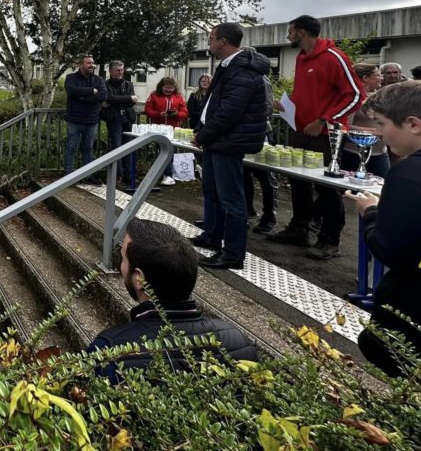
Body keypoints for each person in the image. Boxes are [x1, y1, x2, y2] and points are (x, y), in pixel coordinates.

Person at [343, 81, 421, 376]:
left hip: (417, 308)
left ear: (413, 124)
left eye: (381, 123)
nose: (377, 132)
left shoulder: (412, 171)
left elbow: (391, 248)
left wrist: (371, 212)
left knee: (389, 356)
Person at [86, 218, 257, 382]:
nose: (120, 266)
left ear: (139, 279)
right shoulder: (238, 340)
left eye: (123, 259)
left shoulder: (110, 349)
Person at [268, 15, 365, 260]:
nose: (288, 36)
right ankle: (300, 228)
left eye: (290, 31)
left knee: (327, 188)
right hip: (299, 131)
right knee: (298, 182)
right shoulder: (302, 58)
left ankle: (330, 239)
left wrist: (324, 119)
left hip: (324, 134)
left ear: (301, 32)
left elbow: (355, 95)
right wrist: (288, 105)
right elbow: (311, 94)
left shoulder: (334, 57)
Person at [189, 23, 270, 270]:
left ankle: (233, 253)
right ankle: (212, 236)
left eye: (211, 38)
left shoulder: (243, 71)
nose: (209, 43)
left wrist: (203, 136)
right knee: (212, 190)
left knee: (231, 198)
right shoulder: (228, 67)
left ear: (223, 41)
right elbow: (215, 105)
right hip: (215, 140)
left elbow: (228, 113)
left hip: (228, 141)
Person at [340, 63, 390, 179]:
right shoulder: (353, 98)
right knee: (352, 192)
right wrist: (373, 131)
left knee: (382, 189)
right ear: (365, 78)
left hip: (380, 153)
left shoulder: (382, 95)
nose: (381, 78)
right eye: (378, 75)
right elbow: (345, 126)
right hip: (354, 154)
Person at [63, 55, 108, 175]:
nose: (92, 65)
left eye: (93, 63)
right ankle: (68, 175)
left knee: (88, 149)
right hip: (74, 120)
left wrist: (83, 98)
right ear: (80, 65)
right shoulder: (71, 77)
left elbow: (103, 95)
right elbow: (72, 91)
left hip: (91, 121)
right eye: (88, 63)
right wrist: (92, 91)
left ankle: (88, 175)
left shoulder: (98, 79)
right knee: (72, 148)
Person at [145, 77, 189, 187]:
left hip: (173, 129)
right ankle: (167, 174)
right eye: (167, 88)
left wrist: (176, 114)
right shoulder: (154, 95)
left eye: (171, 88)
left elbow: (184, 113)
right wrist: (159, 114)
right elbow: (148, 110)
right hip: (158, 129)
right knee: (163, 150)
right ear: (161, 87)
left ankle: (167, 174)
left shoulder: (178, 97)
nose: (169, 90)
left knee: (170, 151)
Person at [101, 61, 138, 171]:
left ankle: (128, 173)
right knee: (116, 146)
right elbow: (110, 98)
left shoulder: (128, 84)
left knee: (128, 146)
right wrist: (128, 98)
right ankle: (118, 173)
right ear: (111, 71)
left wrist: (117, 101)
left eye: (122, 70)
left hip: (127, 117)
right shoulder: (106, 84)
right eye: (118, 70)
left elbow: (132, 102)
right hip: (114, 118)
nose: (120, 72)